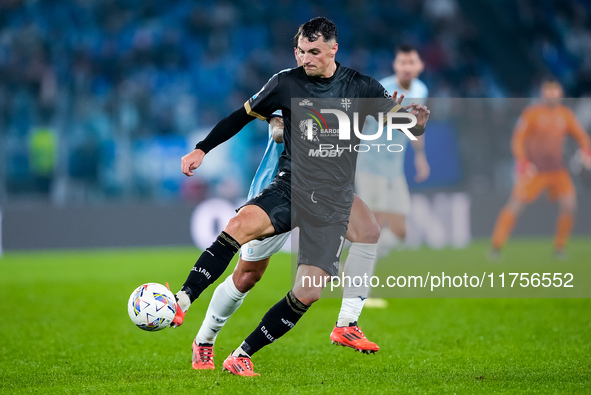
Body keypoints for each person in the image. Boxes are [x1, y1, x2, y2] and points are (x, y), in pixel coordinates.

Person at [173, 17, 430, 376]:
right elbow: (241, 117)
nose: (304, 58)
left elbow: (400, 121)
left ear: (332, 49)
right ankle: (197, 328)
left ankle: (260, 348)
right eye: (300, 51)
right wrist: (202, 149)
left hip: (334, 197)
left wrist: (415, 120)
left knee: (317, 282)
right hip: (289, 187)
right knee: (247, 273)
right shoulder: (286, 83)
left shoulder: (360, 86)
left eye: (313, 52)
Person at [490, 79, 591, 259]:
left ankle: (560, 248)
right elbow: (518, 139)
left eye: (555, 92)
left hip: (557, 170)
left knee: (569, 206)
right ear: (543, 95)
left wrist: (586, 151)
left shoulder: (565, 115)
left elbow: (582, 137)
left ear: (560, 95)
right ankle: (496, 247)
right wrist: (522, 161)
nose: (552, 96)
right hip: (534, 169)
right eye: (549, 92)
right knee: (515, 205)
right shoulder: (532, 114)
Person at [356, 44, 430, 259]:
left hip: (394, 168)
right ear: (395, 66)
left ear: (419, 66)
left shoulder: (421, 90)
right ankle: (358, 281)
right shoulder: (383, 89)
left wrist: (420, 156)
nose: (407, 67)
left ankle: (352, 258)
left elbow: (418, 127)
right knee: (375, 225)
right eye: (402, 62)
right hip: (371, 161)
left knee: (400, 232)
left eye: (411, 62)